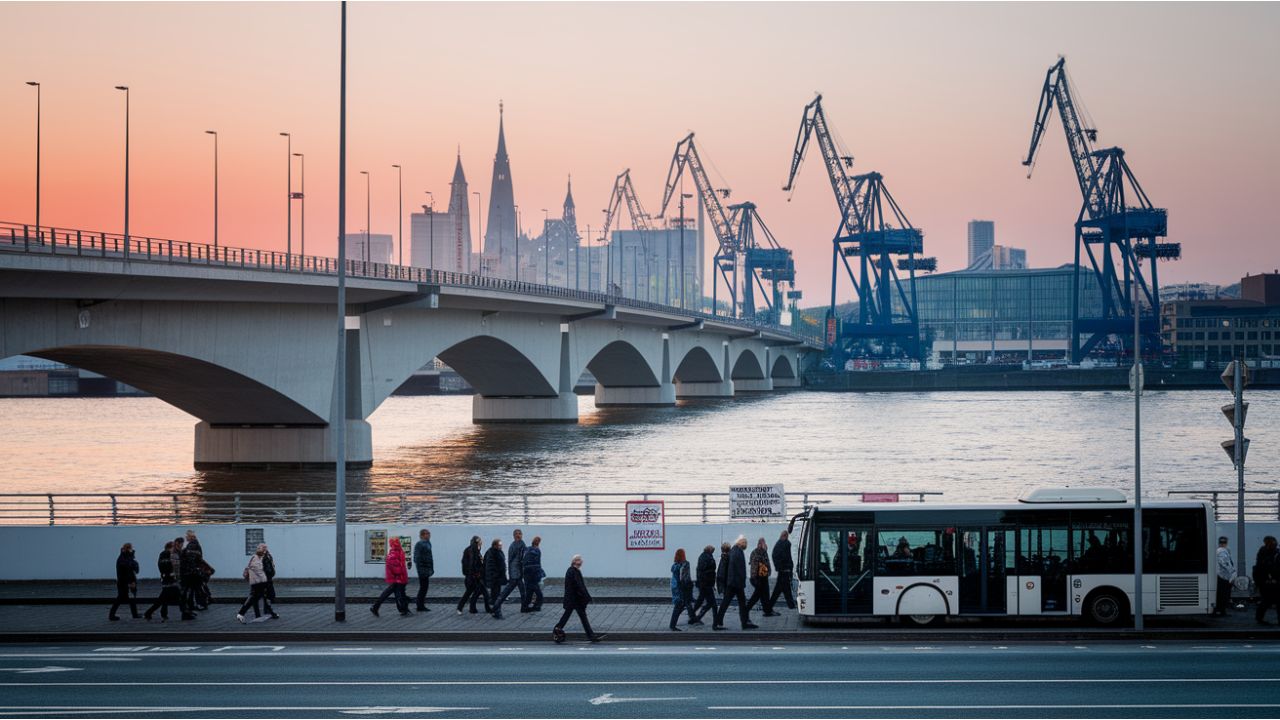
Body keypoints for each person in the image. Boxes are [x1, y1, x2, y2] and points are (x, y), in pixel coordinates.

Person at [553, 554, 603, 643]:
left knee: (579, 616)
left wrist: (586, 596)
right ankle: (558, 629)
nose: (581, 561)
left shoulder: (574, 571)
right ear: (574, 561)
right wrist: (586, 596)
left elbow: (580, 586)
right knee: (573, 616)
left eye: (581, 559)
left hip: (575, 599)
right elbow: (579, 586)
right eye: (579, 560)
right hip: (574, 599)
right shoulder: (573, 571)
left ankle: (558, 629)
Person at [714, 536, 757, 630]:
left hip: (733, 582)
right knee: (738, 603)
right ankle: (743, 623)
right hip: (735, 583)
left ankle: (719, 622)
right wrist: (741, 581)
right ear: (742, 544)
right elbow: (737, 569)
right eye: (745, 544)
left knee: (730, 603)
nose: (746, 546)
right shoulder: (737, 552)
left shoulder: (734, 551)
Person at [144, 541, 191, 622]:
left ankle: (153, 613)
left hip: (168, 580)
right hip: (171, 580)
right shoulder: (168, 555)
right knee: (180, 597)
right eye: (174, 547)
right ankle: (185, 613)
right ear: (170, 547)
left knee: (163, 599)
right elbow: (170, 566)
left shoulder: (163, 555)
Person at [371, 537, 411, 617]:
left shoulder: (397, 552)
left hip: (399, 578)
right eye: (397, 542)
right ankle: (376, 607)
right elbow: (397, 569)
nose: (398, 543)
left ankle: (403, 609)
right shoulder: (394, 554)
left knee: (396, 593)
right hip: (398, 578)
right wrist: (402, 572)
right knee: (396, 594)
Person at [493, 529, 526, 618]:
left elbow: (523, 558)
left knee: (523, 592)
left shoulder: (522, 544)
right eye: (516, 534)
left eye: (520, 534)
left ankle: (524, 607)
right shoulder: (513, 546)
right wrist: (511, 573)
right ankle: (496, 607)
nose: (518, 535)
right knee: (506, 592)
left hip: (519, 573)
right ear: (514, 536)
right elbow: (510, 560)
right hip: (515, 574)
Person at [457, 536, 491, 615]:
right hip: (473, 577)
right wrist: (475, 573)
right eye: (479, 542)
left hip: (475, 576)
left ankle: (474, 608)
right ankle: (461, 608)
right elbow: (471, 564)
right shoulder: (471, 551)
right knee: (470, 593)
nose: (481, 543)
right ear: (476, 542)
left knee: (481, 592)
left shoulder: (476, 550)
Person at [745, 537, 778, 616]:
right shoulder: (756, 552)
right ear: (759, 544)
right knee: (757, 595)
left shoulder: (763, 552)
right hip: (758, 577)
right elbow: (755, 564)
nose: (765, 544)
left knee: (765, 594)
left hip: (764, 576)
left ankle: (767, 610)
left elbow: (766, 562)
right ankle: (746, 609)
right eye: (763, 543)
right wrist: (754, 578)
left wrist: (769, 571)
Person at [236, 543, 270, 623]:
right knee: (253, 598)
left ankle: (257, 614)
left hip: (258, 581)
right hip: (257, 582)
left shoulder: (259, 558)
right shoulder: (256, 558)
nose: (265, 551)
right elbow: (257, 570)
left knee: (256, 597)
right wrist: (264, 579)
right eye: (264, 549)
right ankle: (241, 613)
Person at [109, 543, 140, 621]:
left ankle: (135, 614)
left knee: (129, 599)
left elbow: (135, 569)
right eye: (130, 548)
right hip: (124, 582)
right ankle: (111, 615)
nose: (132, 550)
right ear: (128, 549)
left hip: (126, 581)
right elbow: (126, 571)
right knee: (121, 599)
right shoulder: (123, 559)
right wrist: (130, 582)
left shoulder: (126, 558)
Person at [1254, 535, 1280, 625]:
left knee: (1266, 601)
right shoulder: (1271, 552)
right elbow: (1270, 567)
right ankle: (1259, 618)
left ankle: (1259, 618)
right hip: (1269, 580)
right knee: (1269, 601)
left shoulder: (1264, 551)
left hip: (1265, 580)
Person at [669, 548, 696, 631]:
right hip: (679, 587)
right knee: (679, 605)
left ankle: (692, 618)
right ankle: (672, 625)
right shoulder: (682, 566)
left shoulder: (675, 565)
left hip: (675, 586)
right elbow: (684, 578)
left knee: (685, 603)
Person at [769, 530, 797, 610]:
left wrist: (778, 567)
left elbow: (775, 555)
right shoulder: (786, 544)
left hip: (782, 570)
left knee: (782, 589)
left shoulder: (779, 544)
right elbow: (788, 557)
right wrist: (789, 567)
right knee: (782, 590)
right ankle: (790, 605)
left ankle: (790, 605)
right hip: (785, 570)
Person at [179, 530, 204, 614]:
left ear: (190, 537)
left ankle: (193, 605)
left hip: (191, 572)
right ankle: (197, 604)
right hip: (196, 570)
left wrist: (190, 569)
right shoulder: (197, 545)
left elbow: (190, 559)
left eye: (187, 536)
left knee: (191, 589)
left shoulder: (191, 545)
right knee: (195, 588)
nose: (186, 537)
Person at [692, 545, 718, 621]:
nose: (713, 552)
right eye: (713, 550)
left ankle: (693, 617)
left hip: (704, 583)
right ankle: (716, 624)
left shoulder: (704, 556)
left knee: (701, 601)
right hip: (706, 583)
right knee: (713, 604)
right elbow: (706, 570)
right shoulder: (707, 557)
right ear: (710, 550)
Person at [484, 538, 508, 618]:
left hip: (497, 578)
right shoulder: (492, 553)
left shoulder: (497, 552)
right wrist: (496, 575)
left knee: (496, 596)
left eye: (501, 545)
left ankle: (495, 611)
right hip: (495, 579)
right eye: (499, 545)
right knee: (497, 596)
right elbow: (490, 567)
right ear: (494, 545)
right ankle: (497, 613)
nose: (501, 546)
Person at [522, 536, 545, 612]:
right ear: (538, 542)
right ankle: (536, 606)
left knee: (529, 592)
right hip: (533, 574)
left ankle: (525, 607)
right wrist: (540, 573)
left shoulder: (527, 549)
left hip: (526, 573)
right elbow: (537, 563)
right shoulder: (537, 550)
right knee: (539, 593)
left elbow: (524, 561)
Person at [413, 529, 435, 612]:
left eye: (429, 533)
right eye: (426, 534)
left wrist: (431, 569)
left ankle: (420, 604)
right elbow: (416, 558)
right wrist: (421, 569)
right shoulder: (420, 544)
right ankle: (420, 606)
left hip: (427, 569)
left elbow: (429, 557)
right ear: (422, 535)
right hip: (422, 570)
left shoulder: (428, 543)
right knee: (423, 588)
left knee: (424, 588)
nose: (429, 535)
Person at [1215, 536, 1235, 617]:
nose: (1223, 544)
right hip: (1224, 576)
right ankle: (1221, 611)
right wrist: (1232, 572)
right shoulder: (1222, 551)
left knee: (1221, 595)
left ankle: (1220, 610)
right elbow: (1225, 563)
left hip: (1222, 576)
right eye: (1223, 542)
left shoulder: (1219, 550)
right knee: (1223, 595)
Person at [260, 544, 279, 620]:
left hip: (269, 578)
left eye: (265, 547)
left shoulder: (268, 556)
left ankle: (267, 609)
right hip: (264, 579)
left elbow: (271, 565)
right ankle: (269, 610)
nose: (265, 549)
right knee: (268, 594)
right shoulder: (261, 557)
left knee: (270, 594)